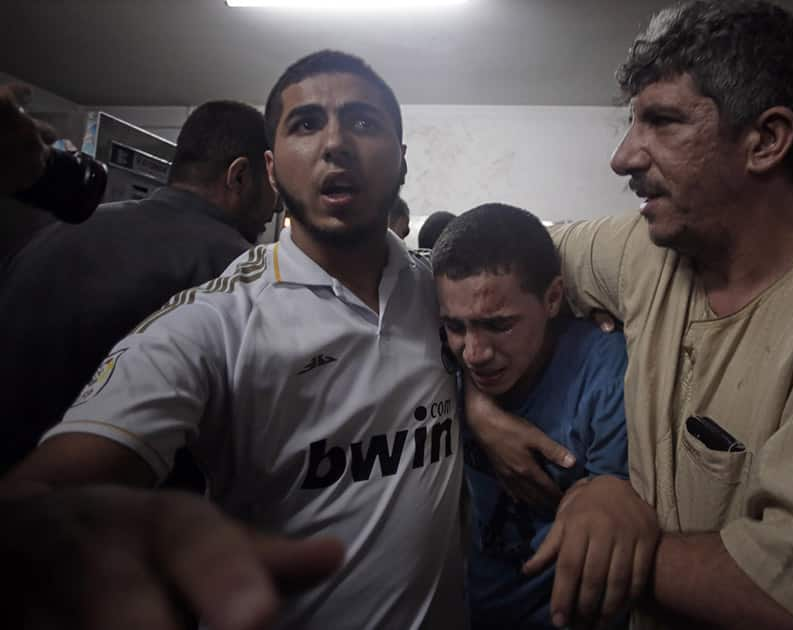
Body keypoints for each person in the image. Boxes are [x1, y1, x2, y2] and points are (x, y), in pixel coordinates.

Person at [465, 2, 793, 629]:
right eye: (634, 122)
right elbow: (496, 277)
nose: (624, 157)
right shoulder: (644, 251)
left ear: (765, 140)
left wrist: (614, 523)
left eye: (662, 122)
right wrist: (480, 405)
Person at [4, 50, 465, 630]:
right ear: (270, 171)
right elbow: (49, 487)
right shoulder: (213, 320)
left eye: (364, 121)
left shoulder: (442, 296)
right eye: (305, 124)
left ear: (400, 162)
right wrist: (45, 533)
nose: (335, 143)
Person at [0, 100, 277, 477]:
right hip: (126, 517)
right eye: (273, 185)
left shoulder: (57, 232)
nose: (275, 209)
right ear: (239, 176)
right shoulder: (241, 270)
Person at [432, 203, 629, 629]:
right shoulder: (443, 364)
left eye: (499, 326)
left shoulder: (606, 376)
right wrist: (476, 403)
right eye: (456, 327)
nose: (474, 353)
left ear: (554, 297)